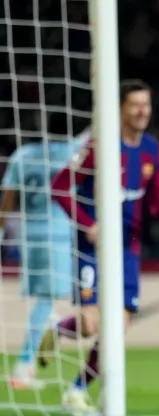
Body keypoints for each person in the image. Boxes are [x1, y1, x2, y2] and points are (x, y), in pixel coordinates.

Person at [46, 79, 159, 411]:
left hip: (128, 248)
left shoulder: (152, 149)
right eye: (135, 104)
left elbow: (154, 202)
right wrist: (88, 225)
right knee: (92, 324)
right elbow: (60, 187)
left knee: (115, 331)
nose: (142, 111)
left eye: (146, 105)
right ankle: (56, 329)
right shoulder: (99, 146)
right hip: (93, 247)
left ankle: (76, 391)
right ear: (121, 108)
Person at [1, 127, 89, 389]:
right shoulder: (72, 150)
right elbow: (90, 136)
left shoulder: (22, 155)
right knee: (48, 299)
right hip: (60, 235)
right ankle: (24, 365)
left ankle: (47, 332)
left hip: (29, 236)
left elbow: (7, 199)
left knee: (43, 298)